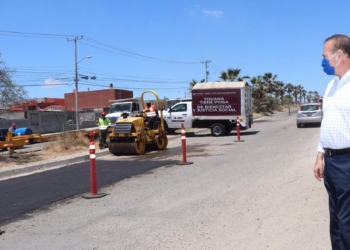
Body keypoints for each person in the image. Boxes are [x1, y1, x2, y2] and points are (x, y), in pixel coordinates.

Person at [314, 34, 350, 249]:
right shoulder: (331, 86)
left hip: (348, 161)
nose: (323, 61)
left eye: (325, 56)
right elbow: (327, 122)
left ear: (339, 55)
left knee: (347, 223)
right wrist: (320, 155)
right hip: (331, 161)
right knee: (336, 220)